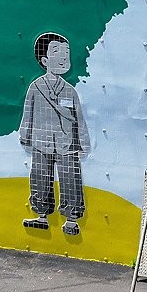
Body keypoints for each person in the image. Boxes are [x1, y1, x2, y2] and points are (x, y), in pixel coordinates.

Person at [19, 33, 90, 233]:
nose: (63, 57)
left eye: (66, 53)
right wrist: (25, 135)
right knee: (40, 177)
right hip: (41, 142)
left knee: (70, 179)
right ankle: (41, 214)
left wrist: (83, 143)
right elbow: (28, 112)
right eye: (57, 52)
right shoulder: (36, 87)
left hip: (67, 144)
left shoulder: (70, 91)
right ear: (44, 60)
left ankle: (71, 220)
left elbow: (80, 120)